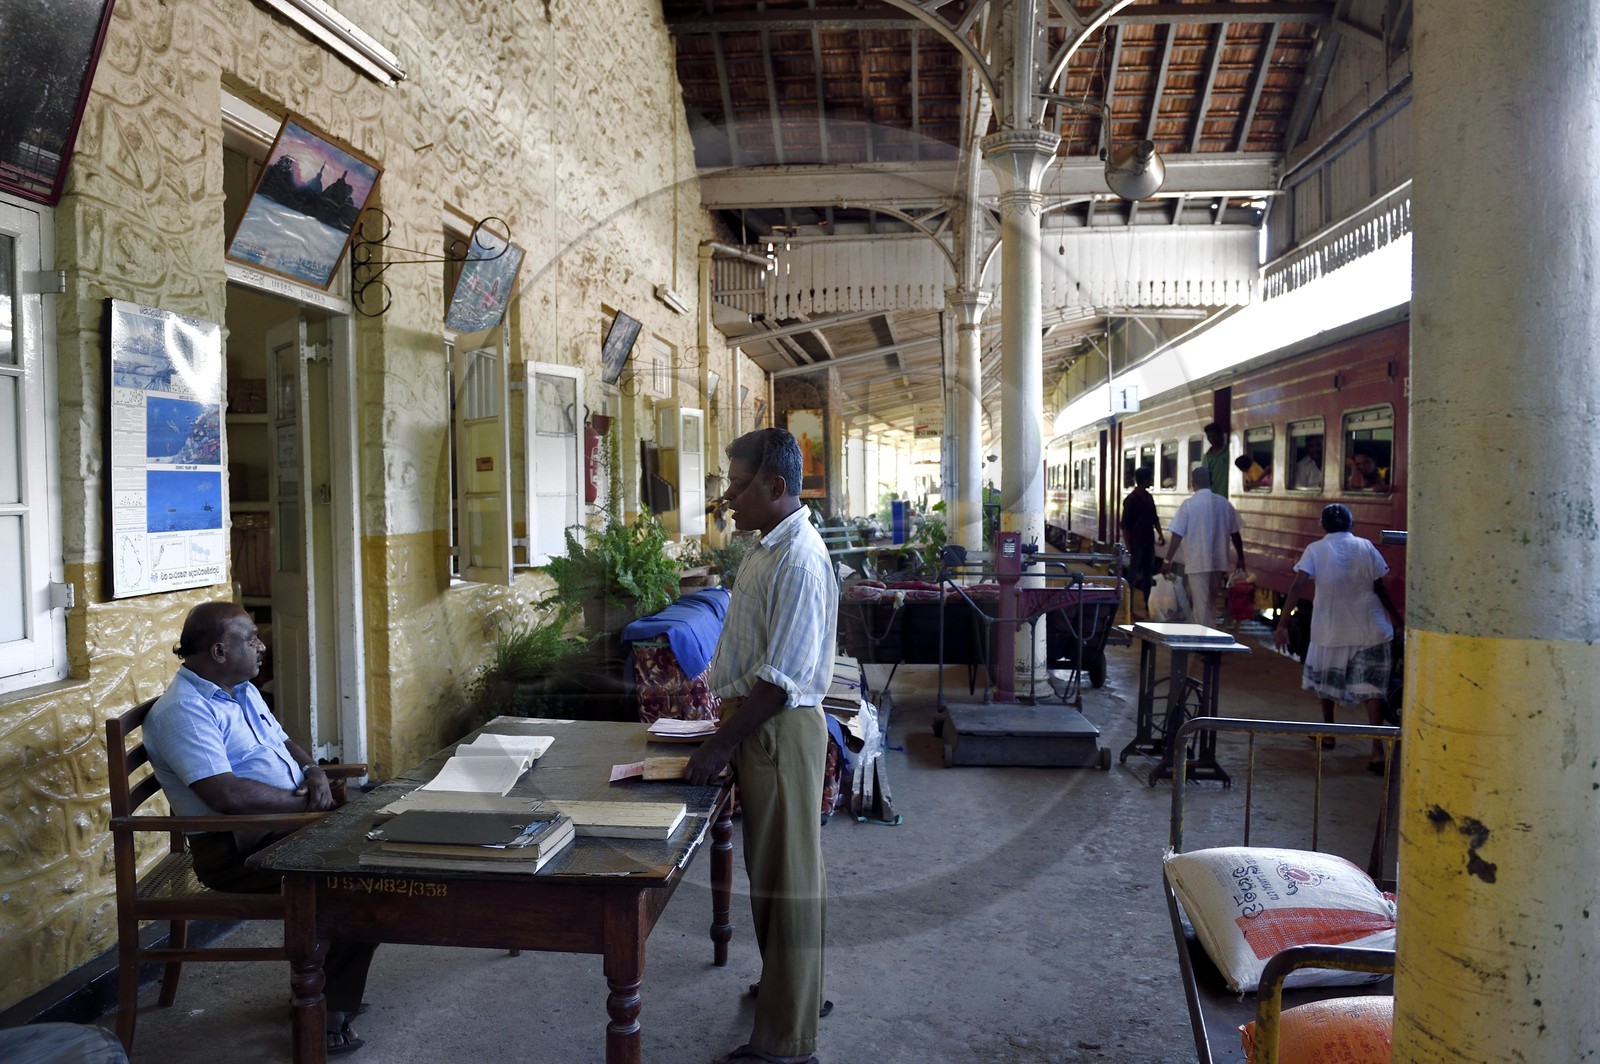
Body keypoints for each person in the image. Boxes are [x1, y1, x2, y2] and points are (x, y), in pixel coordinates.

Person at [142, 602, 377, 1055]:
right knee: (358, 881)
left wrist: (312, 773)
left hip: (287, 821)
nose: (262, 645)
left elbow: (283, 742)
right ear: (219, 650)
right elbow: (224, 795)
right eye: (251, 639)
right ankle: (323, 1012)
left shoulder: (238, 689)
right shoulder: (184, 711)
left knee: (378, 854)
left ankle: (331, 992)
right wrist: (304, 804)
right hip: (237, 849)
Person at [686, 428, 835, 1064]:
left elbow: (778, 683)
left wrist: (719, 745)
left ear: (776, 487)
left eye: (739, 484)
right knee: (777, 873)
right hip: (761, 726)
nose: (728, 497)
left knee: (788, 879)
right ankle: (793, 988)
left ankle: (785, 1039)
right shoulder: (770, 545)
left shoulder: (798, 559)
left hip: (773, 729)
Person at [1271, 504, 1401, 771]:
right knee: (1372, 689)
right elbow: (1380, 587)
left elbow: (1297, 585)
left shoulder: (1316, 550)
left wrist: (1282, 624)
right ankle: (1377, 750)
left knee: (1326, 681)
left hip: (1330, 628)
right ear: (1352, 524)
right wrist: (1398, 621)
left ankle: (1328, 733)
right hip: (1370, 627)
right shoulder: (1365, 546)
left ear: (1322, 525)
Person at [1161, 466, 1245, 626]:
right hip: (1218, 561)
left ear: (1194, 483)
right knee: (1211, 601)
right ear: (1211, 482)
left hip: (1197, 561)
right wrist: (1241, 557)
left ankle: (1205, 642)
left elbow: (1177, 535)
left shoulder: (1189, 505)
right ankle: (1210, 637)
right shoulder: (1224, 503)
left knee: (1201, 603)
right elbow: (1236, 533)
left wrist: (1167, 561)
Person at [1120, 465, 1164, 618]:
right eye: (1149, 478)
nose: (1151, 481)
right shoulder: (1131, 500)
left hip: (1147, 541)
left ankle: (1147, 606)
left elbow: (1154, 519)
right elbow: (1124, 525)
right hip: (1136, 542)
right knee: (1132, 577)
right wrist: (1128, 546)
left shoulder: (1148, 497)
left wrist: (1160, 534)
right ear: (1144, 480)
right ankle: (1129, 608)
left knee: (1147, 575)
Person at [1201, 422, 1231, 497]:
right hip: (1213, 497)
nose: (1212, 439)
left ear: (1221, 435)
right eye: (1209, 436)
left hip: (1228, 495)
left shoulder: (1229, 452)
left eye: (1214, 435)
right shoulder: (1207, 457)